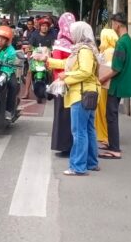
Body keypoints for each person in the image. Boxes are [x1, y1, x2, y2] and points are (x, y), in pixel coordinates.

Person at [38, 21, 100, 175]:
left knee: (79, 132)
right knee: (89, 130)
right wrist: (47, 61)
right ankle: (91, 162)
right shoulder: (84, 49)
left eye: (73, 32)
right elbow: (68, 63)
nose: (71, 35)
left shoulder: (84, 50)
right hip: (88, 93)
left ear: (80, 33)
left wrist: (67, 76)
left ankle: (78, 166)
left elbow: (84, 72)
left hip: (81, 94)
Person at [98, 13, 131, 159]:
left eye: (113, 24)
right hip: (122, 82)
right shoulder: (128, 41)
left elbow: (116, 68)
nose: (112, 27)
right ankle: (112, 144)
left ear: (117, 24)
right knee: (112, 114)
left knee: (111, 114)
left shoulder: (121, 43)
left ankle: (114, 148)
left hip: (117, 84)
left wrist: (102, 79)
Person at [50, 12, 76, 156]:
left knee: (61, 115)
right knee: (71, 116)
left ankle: (63, 146)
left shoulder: (60, 43)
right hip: (75, 83)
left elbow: (56, 66)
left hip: (61, 84)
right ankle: (71, 145)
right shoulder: (76, 43)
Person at [95, 28, 119, 146]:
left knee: (103, 110)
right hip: (106, 84)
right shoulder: (111, 50)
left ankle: (103, 136)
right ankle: (103, 135)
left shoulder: (109, 52)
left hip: (105, 84)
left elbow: (108, 68)